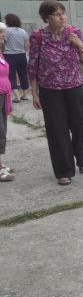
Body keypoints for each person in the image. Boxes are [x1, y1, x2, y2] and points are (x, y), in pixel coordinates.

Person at [28, 0, 83, 185]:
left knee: (79, 125)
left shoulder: (74, 32)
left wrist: (79, 44)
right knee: (57, 130)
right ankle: (64, 170)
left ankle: (82, 158)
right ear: (46, 17)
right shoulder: (37, 36)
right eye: (57, 14)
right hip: (50, 91)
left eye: (63, 13)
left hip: (74, 88)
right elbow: (33, 66)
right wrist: (34, 93)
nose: (62, 17)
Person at [0, 23, 16, 181]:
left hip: (3, 95)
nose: (3, 35)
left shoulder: (0, 52)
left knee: (1, 130)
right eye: (0, 32)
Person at [3, 14, 30, 103]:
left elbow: (3, 42)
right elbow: (27, 46)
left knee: (11, 76)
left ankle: (17, 96)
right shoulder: (23, 31)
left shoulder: (6, 31)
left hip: (9, 55)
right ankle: (25, 95)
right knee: (23, 75)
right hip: (21, 55)